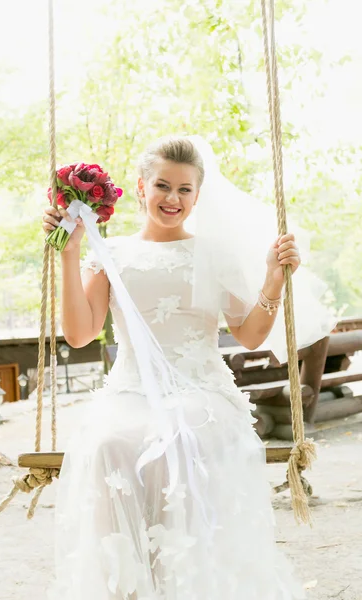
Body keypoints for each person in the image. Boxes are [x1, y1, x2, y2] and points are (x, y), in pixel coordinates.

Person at [43, 136, 306, 599]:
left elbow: (249, 335)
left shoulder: (214, 254)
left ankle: (186, 583)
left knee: (180, 437)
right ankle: (127, 586)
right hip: (131, 390)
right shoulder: (111, 255)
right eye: (163, 185)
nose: (173, 198)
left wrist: (272, 280)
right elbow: (80, 334)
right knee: (106, 442)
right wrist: (69, 251)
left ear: (197, 197)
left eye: (185, 189)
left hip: (201, 389)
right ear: (141, 188)